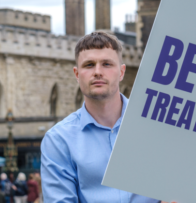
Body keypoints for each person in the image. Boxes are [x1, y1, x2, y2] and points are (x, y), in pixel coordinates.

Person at [40, 31, 163, 203]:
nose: (98, 72)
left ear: (121, 72)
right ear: (77, 74)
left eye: (106, 64)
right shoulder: (58, 140)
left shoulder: (158, 126)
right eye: (89, 65)